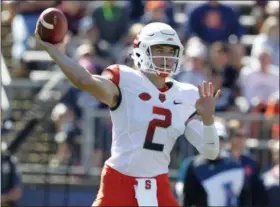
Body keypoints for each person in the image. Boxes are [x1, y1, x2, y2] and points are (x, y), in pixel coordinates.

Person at [35, 22, 221, 206]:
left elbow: (211, 152)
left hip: (158, 186)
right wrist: (54, 51)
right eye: (159, 49)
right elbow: (84, 80)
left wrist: (208, 120)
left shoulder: (186, 94)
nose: (166, 56)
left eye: (170, 51)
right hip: (119, 183)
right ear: (142, 50)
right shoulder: (125, 80)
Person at [182, 120, 250, 207]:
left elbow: (244, 197)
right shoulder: (195, 166)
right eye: (211, 138)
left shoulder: (235, 165)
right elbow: (188, 199)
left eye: (220, 139)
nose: (216, 143)